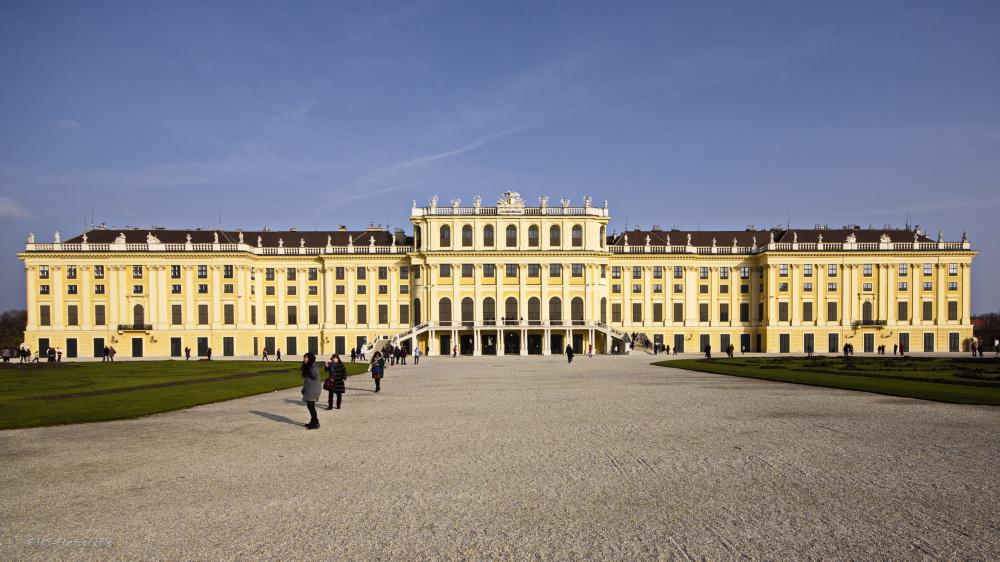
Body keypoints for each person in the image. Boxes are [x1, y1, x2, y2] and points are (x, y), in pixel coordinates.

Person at [300, 352, 321, 429]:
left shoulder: (312, 366)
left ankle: (316, 422)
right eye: (304, 357)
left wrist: (309, 368)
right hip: (310, 388)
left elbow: (314, 375)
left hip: (314, 389)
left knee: (311, 406)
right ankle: (313, 421)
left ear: (310, 358)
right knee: (310, 406)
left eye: (306, 357)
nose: (305, 359)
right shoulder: (308, 366)